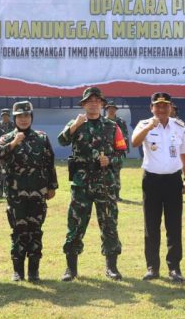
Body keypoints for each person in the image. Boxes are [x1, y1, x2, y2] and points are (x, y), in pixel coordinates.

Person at [58, 87, 127, 281]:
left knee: (109, 224)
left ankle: (111, 267)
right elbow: (61, 141)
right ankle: (71, 269)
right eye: (90, 101)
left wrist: (110, 161)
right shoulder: (76, 123)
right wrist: (74, 126)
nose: (94, 103)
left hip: (105, 184)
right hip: (82, 184)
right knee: (76, 225)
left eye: (97, 101)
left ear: (103, 105)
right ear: (83, 104)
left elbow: (122, 153)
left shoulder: (112, 127)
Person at [132, 92, 185, 282]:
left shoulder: (179, 126)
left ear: (171, 107)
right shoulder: (144, 124)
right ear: (152, 108)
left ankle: (174, 268)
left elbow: (184, 154)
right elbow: (134, 143)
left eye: (165, 105)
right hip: (152, 181)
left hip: (173, 180)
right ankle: (152, 268)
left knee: (174, 225)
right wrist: (150, 125)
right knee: (151, 225)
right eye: (157, 106)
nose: (161, 109)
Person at [0, 100, 57, 282]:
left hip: (38, 193)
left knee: (35, 230)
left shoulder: (41, 137)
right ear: (14, 118)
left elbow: (49, 162)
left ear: (31, 117)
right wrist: (14, 143)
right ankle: (18, 271)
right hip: (16, 194)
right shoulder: (6, 138)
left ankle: (33, 271)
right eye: (20, 116)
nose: (23, 119)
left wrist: (52, 186)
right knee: (18, 230)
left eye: (27, 116)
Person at [105, 101, 130, 201]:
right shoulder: (103, 121)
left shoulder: (121, 122)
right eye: (110, 108)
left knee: (116, 174)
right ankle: (106, 195)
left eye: (113, 108)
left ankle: (116, 195)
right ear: (107, 109)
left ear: (116, 110)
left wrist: (124, 149)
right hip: (106, 153)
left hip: (117, 153)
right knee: (105, 174)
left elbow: (125, 136)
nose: (111, 110)